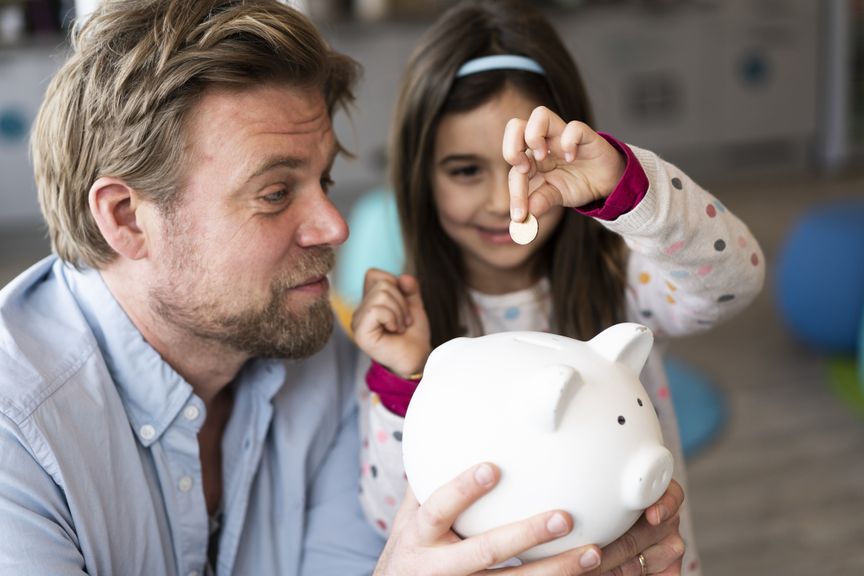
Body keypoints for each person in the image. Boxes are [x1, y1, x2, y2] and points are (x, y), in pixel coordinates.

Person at [0, 0, 686, 575]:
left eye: (323, 181)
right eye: (274, 194)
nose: (333, 227)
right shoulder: (17, 433)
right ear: (126, 218)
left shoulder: (325, 362)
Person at [351, 1, 765, 575]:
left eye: (531, 162)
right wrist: (404, 380)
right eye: (466, 170)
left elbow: (736, 282)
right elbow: (385, 516)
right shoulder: (412, 331)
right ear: (420, 178)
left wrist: (627, 187)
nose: (504, 201)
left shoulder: (624, 280)